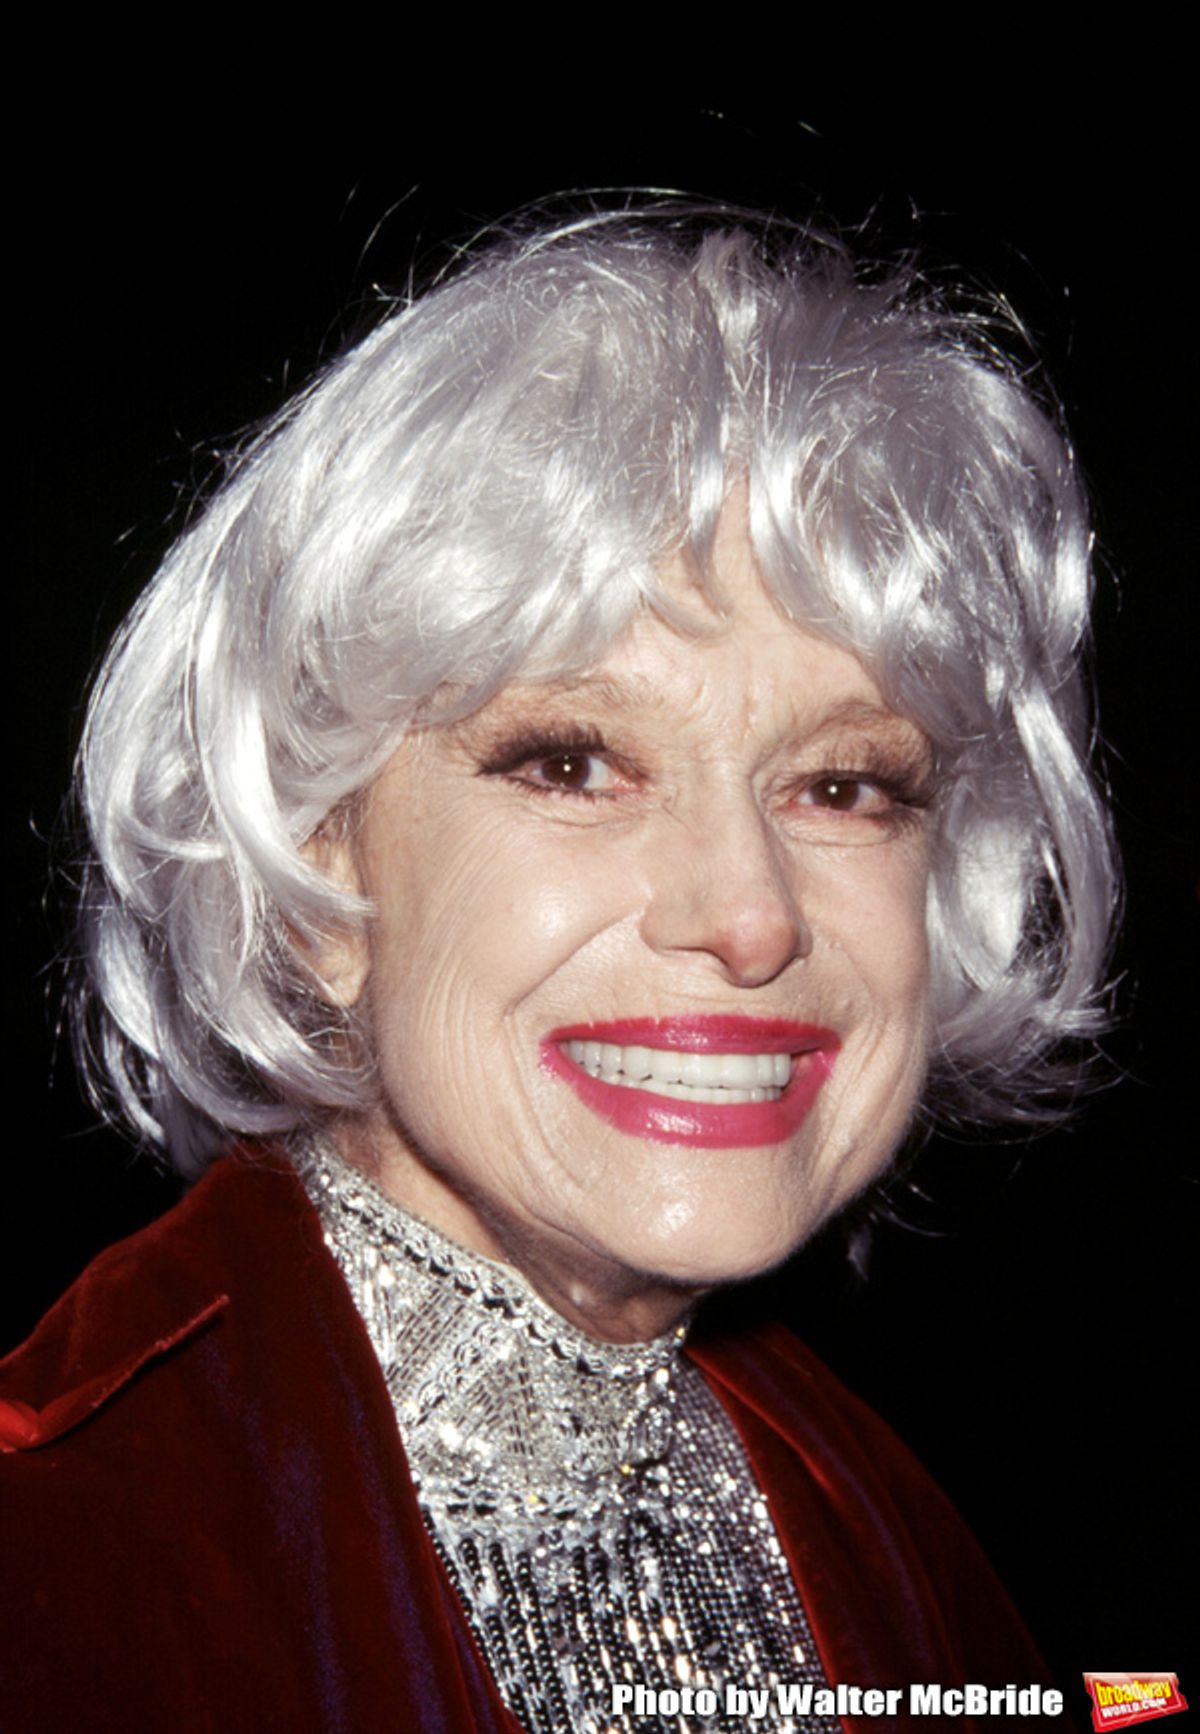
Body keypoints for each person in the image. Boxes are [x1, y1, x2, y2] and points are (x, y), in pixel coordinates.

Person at [0, 209, 1111, 1731]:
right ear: (317, 872)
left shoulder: (890, 1523)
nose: (752, 914)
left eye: (846, 786)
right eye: (575, 761)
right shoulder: (61, 1549)